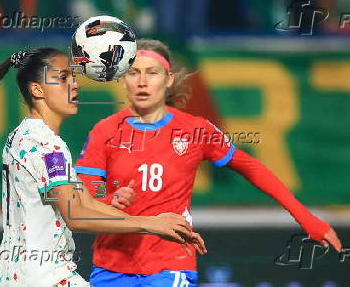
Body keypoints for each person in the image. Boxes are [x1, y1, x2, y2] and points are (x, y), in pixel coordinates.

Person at [0, 47, 205, 287]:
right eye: (63, 77)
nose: (75, 84)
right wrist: (148, 224)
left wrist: (156, 221)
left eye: (73, 77)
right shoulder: (45, 145)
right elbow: (75, 216)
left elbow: (84, 201)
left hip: (17, 276)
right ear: (37, 89)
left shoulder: (25, 136)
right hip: (45, 277)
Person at [75, 39, 344, 287]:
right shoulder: (105, 131)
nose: (142, 81)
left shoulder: (196, 130)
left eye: (152, 72)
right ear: (123, 80)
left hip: (170, 264)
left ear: (169, 80)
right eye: (134, 73)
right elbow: (86, 196)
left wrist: (306, 218)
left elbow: (253, 168)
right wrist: (109, 198)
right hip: (111, 263)